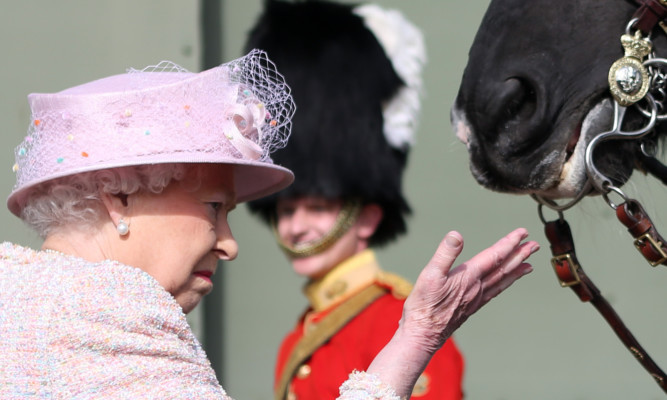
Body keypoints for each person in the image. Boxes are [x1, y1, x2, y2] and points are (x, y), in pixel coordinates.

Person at [0, 49, 539, 399]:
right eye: (215, 206)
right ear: (118, 197)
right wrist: (416, 338)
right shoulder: (120, 314)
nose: (231, 245)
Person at [244, 2, 458, 399]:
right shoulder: (300, 334)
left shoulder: (401, 323)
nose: (296, 226)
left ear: (367, 218)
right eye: (287, 210)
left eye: (319, 208)